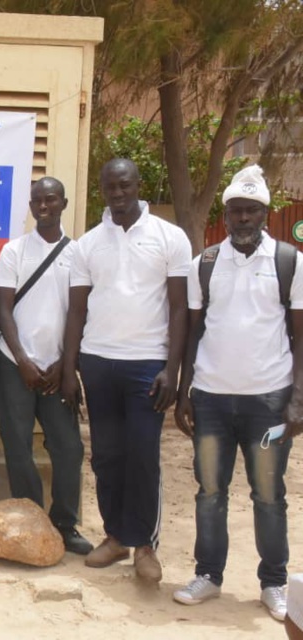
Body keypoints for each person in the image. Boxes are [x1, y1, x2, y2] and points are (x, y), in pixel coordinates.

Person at [173, 165, 302, 621]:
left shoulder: (289, 261)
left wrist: (298, 398)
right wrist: (184, 392)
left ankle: (273, 583)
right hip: (211, 399)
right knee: (210, 491)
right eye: (235, 211)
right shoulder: (205, 264)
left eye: (251, 211)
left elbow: (300, 336)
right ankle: (208, 575)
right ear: (225, 215)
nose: (243, 218)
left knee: (268, 494)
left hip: (268, 402)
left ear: (264, 214)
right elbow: (193, 332)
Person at [61, 158, 191, 582]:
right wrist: (70, 368)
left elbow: (179, 308)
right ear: (102, 190)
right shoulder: (87, 244)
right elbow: (76, 311)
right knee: (106, 456)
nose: (118, 194)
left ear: (138, 185)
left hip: (148, 364)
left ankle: (145, 546)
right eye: (110, 187)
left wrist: (172, 369)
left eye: (125, 185)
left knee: (143, 456)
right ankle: (116, 536)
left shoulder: (169, 237)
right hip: (98, 362)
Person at [0, 177, 92, 555]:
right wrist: (22, 360)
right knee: (17, 446)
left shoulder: (78, 254)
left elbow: (80, 313)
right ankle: (31, 521)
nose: (43, 206)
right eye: (37, 201)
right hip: (14, 364)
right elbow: (3, 309)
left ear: (64, 203)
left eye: (50, 200)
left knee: (69, 448)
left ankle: (65, 524)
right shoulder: (14, 251)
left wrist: (67, 366)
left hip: (57, 370)